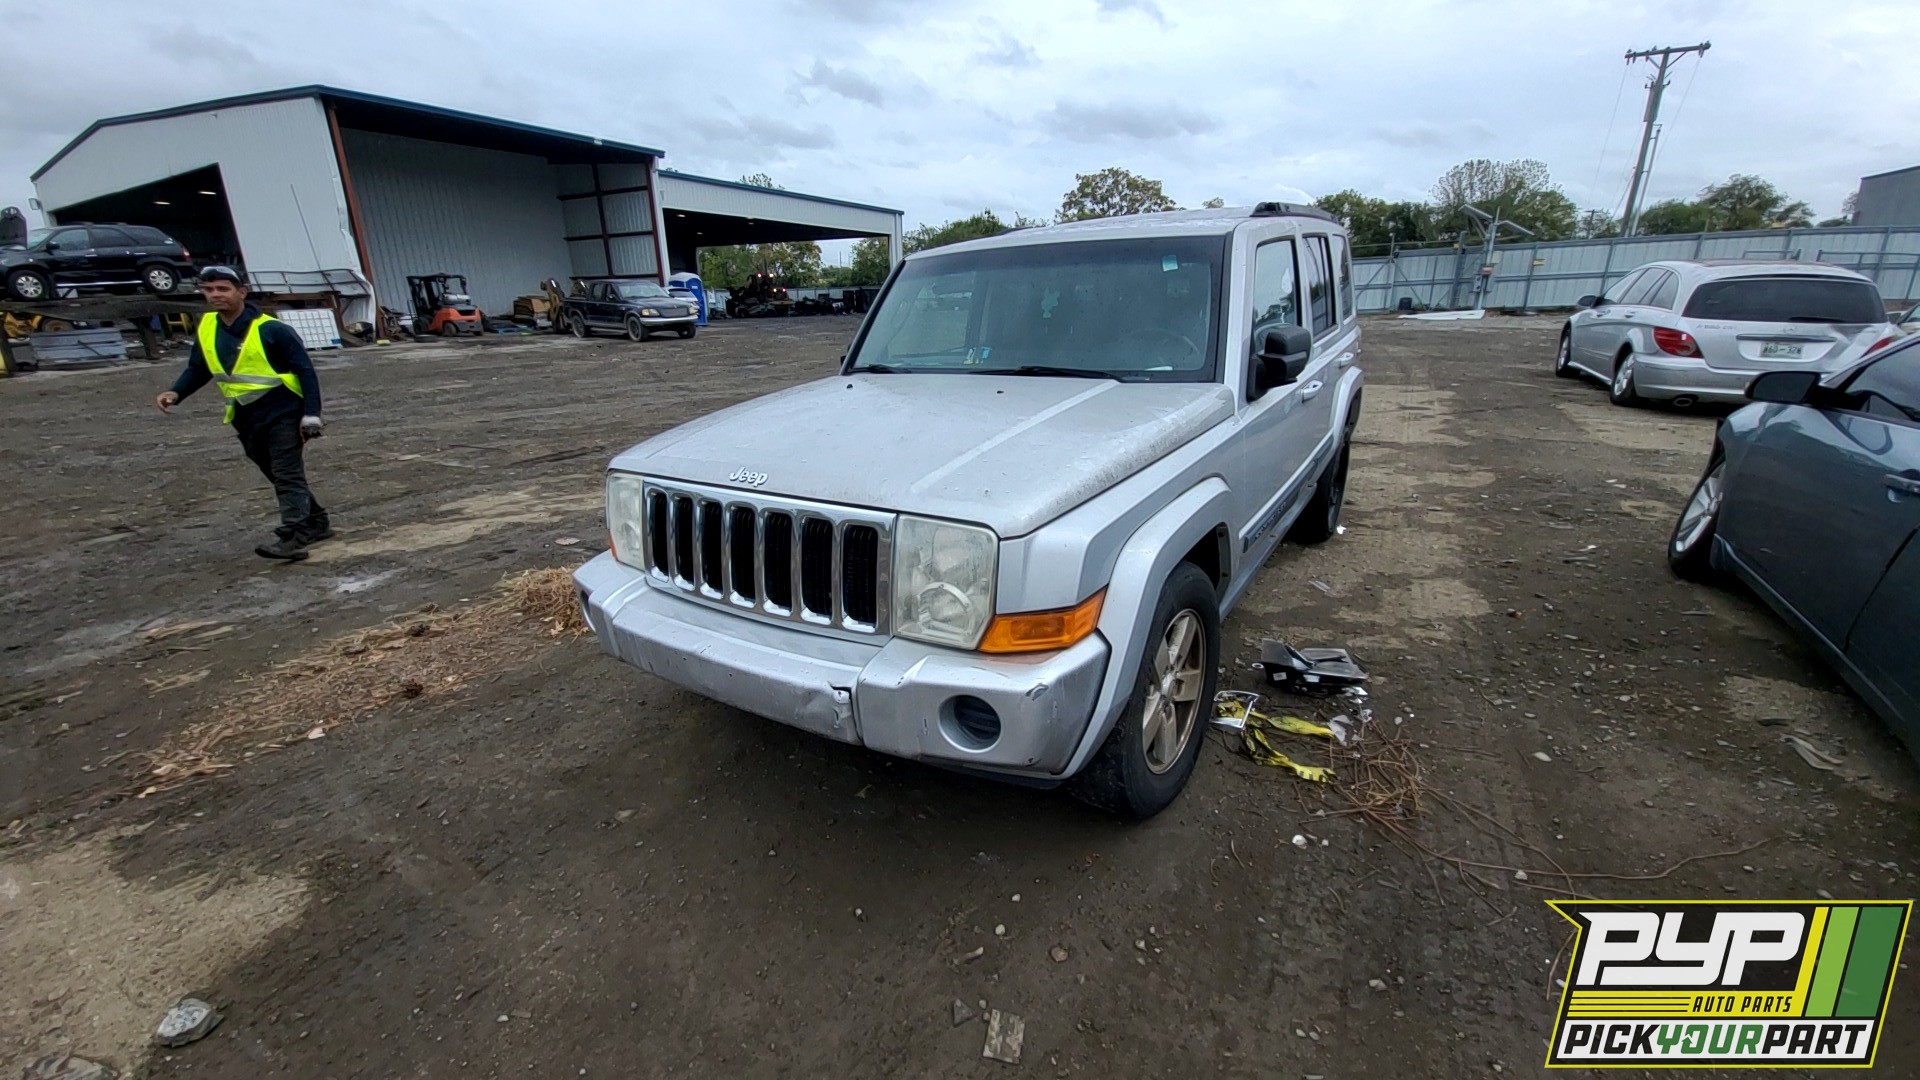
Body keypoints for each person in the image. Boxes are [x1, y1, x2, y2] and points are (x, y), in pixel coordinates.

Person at [155, 266, 331, 561]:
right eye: (209, 290)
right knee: (274, 471)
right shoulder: (208, 327)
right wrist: (176, 392)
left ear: (242, 292)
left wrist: (311, 414)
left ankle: (294, 533)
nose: (215, 295)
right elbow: (199, 367)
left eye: (222, 289)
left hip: (284, 411)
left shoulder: (272, 329)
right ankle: (316, 520)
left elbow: (305, 371)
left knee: (287, 472)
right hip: (245, 415)